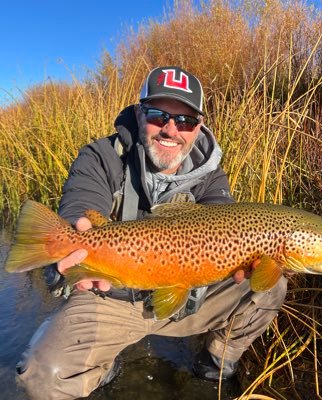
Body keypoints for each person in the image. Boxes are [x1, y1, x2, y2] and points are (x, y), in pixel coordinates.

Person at [16, 66, 288, 399]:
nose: (171, 129)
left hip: (186, 299)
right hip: (108, 294)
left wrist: (251, 262)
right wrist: (75, 230)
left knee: (271, 287)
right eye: (159, 116)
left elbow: (225, 221)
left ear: (198, 127)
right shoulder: (102, 156)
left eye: (185, 121)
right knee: (42, 377)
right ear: (139, 113)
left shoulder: (211, 176)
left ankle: (215, 363)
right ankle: (101, 366)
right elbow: (81, 202)